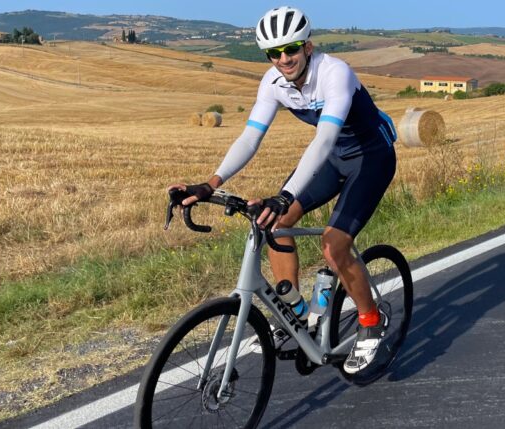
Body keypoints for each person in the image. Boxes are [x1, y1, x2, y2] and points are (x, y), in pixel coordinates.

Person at [168, 6, 397, 374]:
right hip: (334, 158)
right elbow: (250, 138)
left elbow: (323, 139)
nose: (283, 59)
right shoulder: (272, 83)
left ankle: (371, 321)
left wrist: (286, 193)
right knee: (273, 223)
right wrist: (211, 183)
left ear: (308, 45)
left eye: (290, 49)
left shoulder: (334, 73)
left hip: (371, 158)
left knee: (333, 243)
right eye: (273, 53)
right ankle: (297, 315)